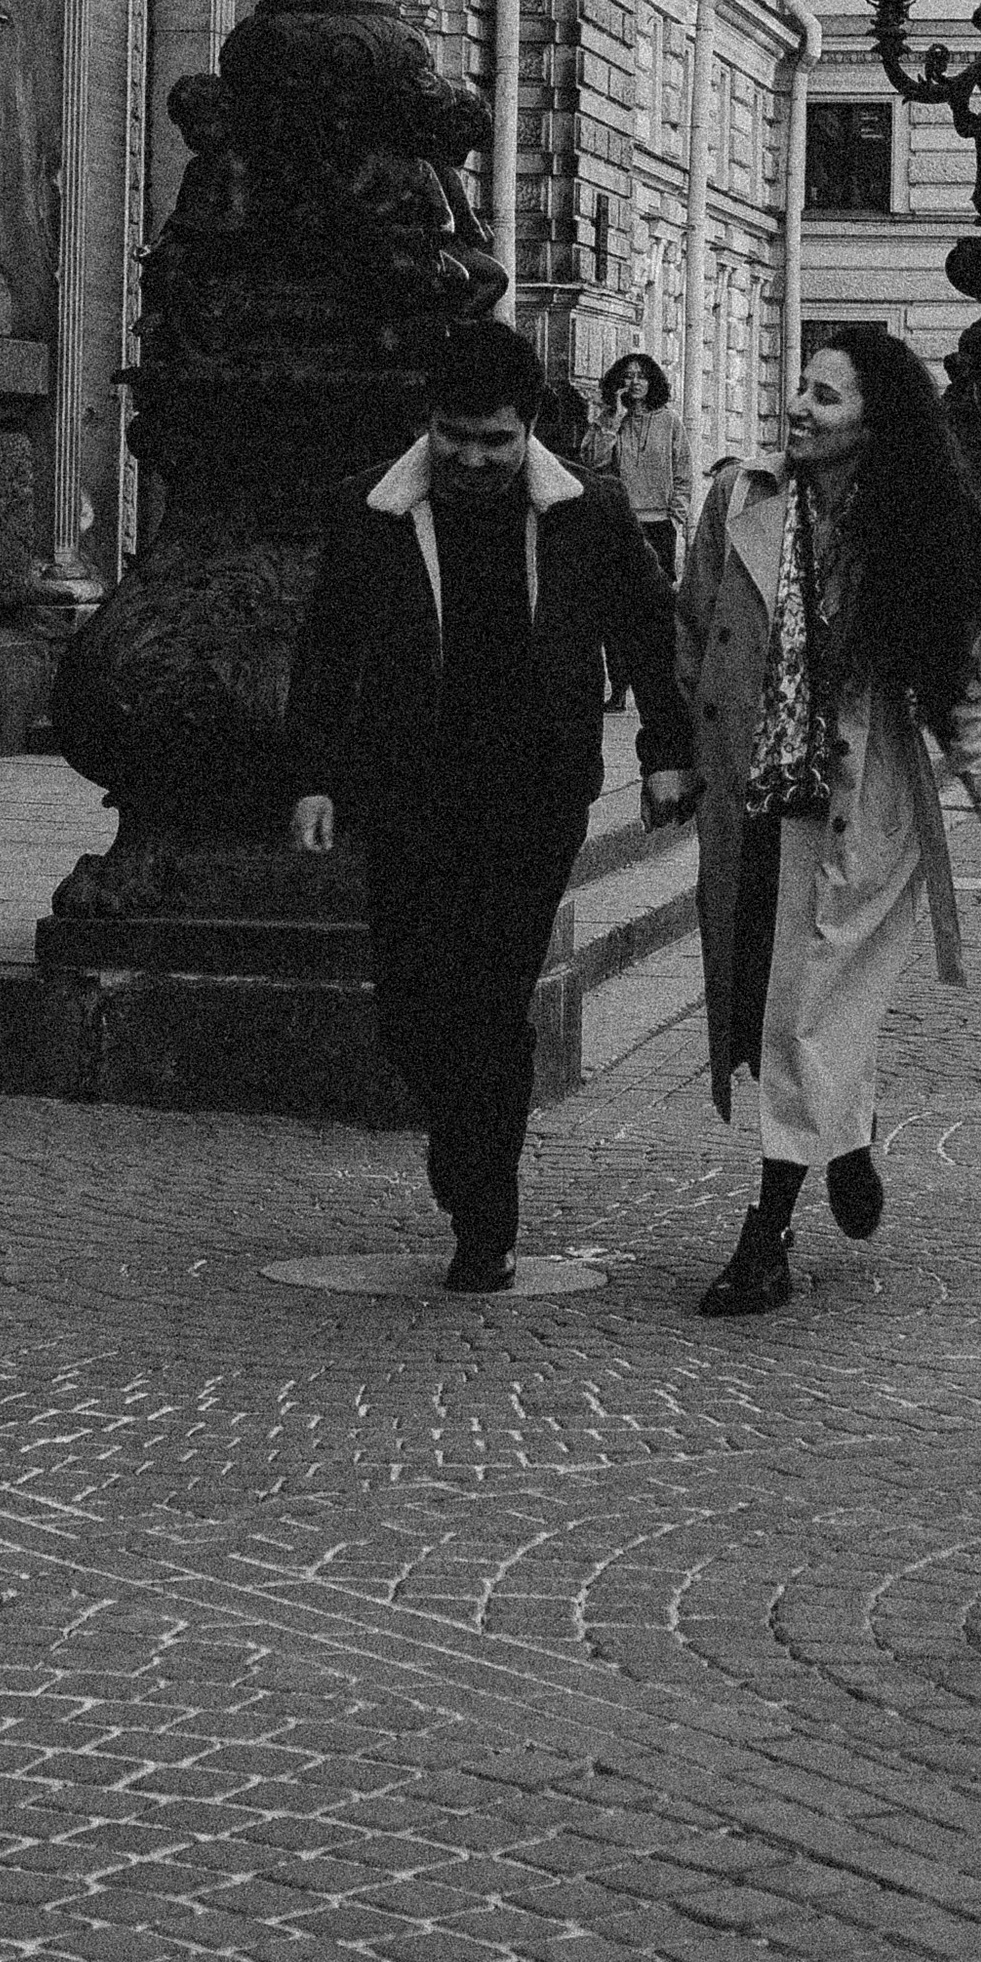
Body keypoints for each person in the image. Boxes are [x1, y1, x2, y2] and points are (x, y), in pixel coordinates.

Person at [285, 318, 697, 1295]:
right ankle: (461, 1142)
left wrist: (667, 754)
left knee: (494, 1002)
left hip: (533, 791)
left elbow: (648, 632)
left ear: (530, 433)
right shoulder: (375, 512)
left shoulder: (585, 513)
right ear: (432, 424)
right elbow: (325, 647)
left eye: (495, 440)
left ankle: (486, 1214)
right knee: (409, 1012)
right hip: (407, 789)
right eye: (455, 435)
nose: (472, 458)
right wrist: (312, 775)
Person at [674, 328, 981, 1320]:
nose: (799, 408)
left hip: (857, 802)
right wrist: (669, 758)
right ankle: (845, 1133)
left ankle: (765, 1236)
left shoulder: (914, 529)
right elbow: (691, 628)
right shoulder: (738, 502)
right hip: (754, 794)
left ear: (874, 425)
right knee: (770, 995)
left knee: (802, 1007)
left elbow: (971, 677)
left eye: (827, 398)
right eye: (798, 390)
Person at [590, 352, 692, 712]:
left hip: (659, 526)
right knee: (615, 609)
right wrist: (614, 418)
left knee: (658, 608)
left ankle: (664, 683)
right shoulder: (608, 419)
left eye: (642, 376)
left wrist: (676, 517)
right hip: (619, 523)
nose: (634, 383)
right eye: (628, 376)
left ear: (653, 383)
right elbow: (593, 462)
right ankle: (618, 688)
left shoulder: (670, 422)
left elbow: (682, 473)